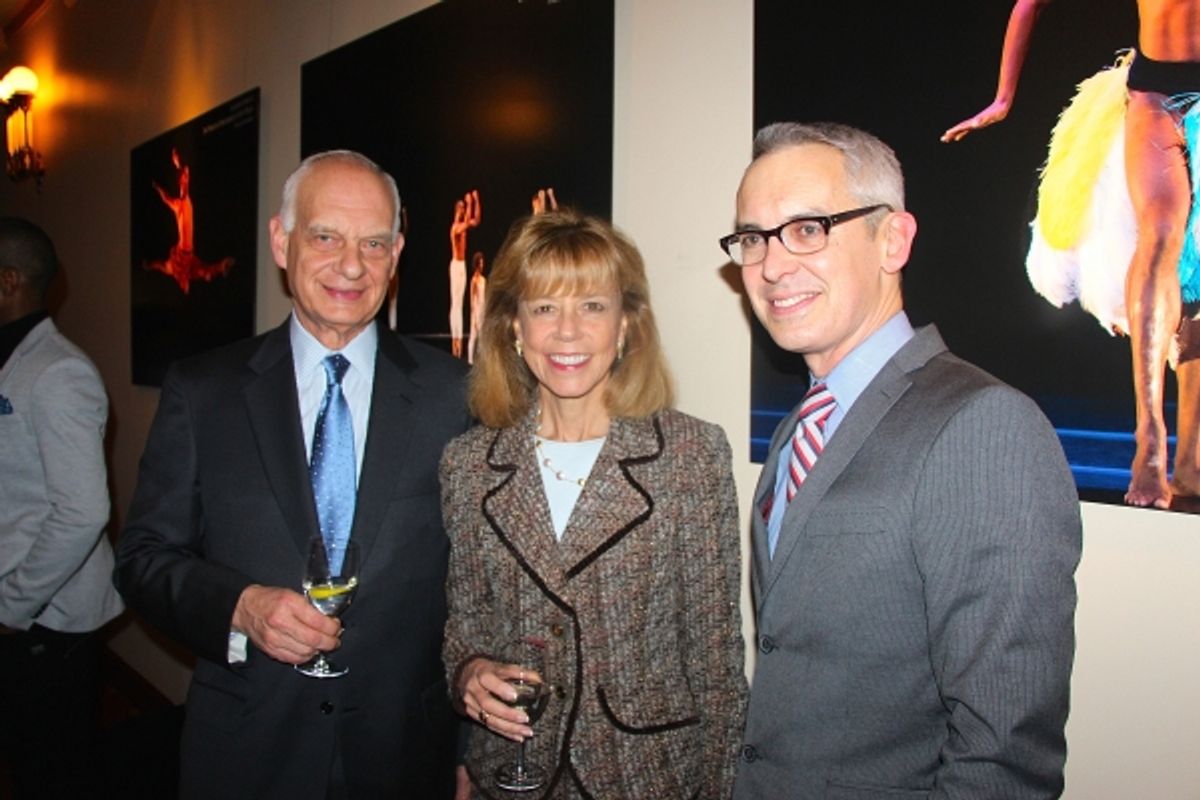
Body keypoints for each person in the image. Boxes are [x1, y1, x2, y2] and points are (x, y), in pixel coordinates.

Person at [722, 122, 1082, 799]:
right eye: (752, 238)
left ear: (893, 239)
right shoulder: (800, 426)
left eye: (806, 229)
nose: (770, 266)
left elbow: (1002, 753)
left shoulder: (983, 424)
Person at [115, 150, 472, 799]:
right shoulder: (203, 392)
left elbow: (483, 585)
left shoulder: (458, 397)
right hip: (248, 749)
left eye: (372, 243)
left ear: (396, 254)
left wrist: (473, 750)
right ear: (282, 241)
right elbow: (142, 558)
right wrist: (240, 607)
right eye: (326, 236)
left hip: (404, 757)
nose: (351, 265)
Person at [442, 209, 747, 798]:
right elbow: (466, 626)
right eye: (544, 307)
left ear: (627, 325)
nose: (567, 333)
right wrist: (469, 673)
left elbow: (716, 665)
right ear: (512, 327)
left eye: (592, 306)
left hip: (648, 777)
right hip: (515, 774)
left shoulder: (690, 455)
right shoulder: (468, 465)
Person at [942, 0, 1200, 510]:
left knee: (1194, 278)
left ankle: (1191, 460)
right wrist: (1003, 97)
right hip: (1155, 90)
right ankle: (1149, 439)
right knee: (1161, 233)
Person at [0, 216, 124, 798]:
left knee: (49, 768)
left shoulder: (59, 372)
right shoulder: (13, 361)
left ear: (9, 281)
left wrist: (11, 605)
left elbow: (81, 511)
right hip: (20, 604)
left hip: (44, 613)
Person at [147, 147, 234, 294]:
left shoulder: (184, 202)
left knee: (199, 271)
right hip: (186, 253)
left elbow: (182, 182)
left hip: (184, 250)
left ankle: (219, 267)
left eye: (183, 286)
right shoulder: (178, 204)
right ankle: (219, 267)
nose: (184, 286)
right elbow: (166, 197)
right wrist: (157, 188)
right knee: (201, 271)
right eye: (185, 286)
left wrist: (177, 164)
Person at [449, 189, 481, 358]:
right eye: (460, 209)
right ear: (457, 211)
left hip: (462, 266)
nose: (463, 212)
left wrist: (475, 200)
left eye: (463, 209)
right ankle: (456, 339)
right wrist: (470, 202)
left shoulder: (463, 227)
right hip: (455, 265)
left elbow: (475, 220)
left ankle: (459, 339)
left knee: (460, 303)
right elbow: (469, 222)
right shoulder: (455, 228)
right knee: (456, 304)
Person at [467, 251, 487, 365]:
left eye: (482, 263)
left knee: (482, 336)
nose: (482, 265)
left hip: (482, 310)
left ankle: (481, 360)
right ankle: (469, 360)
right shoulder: (474, 280)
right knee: (473, 336)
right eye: (480, 263)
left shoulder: (483, 279)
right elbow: (472, 298)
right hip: (476, 311)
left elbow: (483, 297)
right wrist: (474, 315)